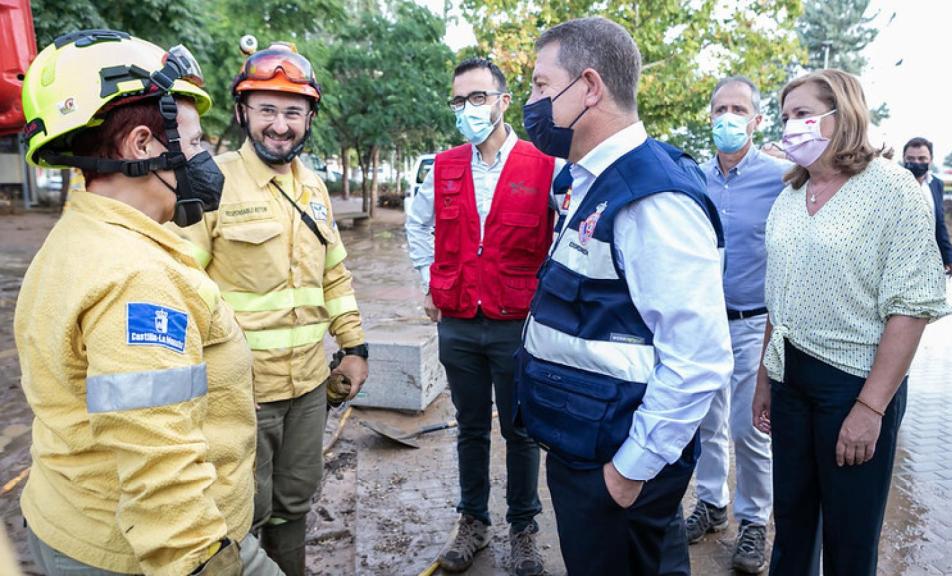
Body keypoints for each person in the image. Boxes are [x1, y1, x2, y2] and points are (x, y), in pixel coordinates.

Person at [16, 29, 280, 575]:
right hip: (147, 551)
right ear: (141, 145)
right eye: (196, 140)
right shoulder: (135, 276)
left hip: (74, 520)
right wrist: (205, 561)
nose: (207, 157)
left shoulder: (82, 237)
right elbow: (158, 457)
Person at [517, 17, 732, 575]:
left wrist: (629, 472)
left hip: (616, 465)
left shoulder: (652, 198)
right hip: (587, 444)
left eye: (542, 86)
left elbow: (699, 358)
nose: (531, 102)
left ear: (589, 87)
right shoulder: (587, 179)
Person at [171, 41, 368, 575]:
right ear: (243, 113)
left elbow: (334, 275)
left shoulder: (316, 190)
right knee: (241, 513)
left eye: (292, 112)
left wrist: (354, 346)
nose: (280, 125)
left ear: (308, 119)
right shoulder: (210, 184)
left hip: (308, 388)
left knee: (294, 505)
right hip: (240, 396)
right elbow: (179, 287)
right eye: (267, 110)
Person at [752, 69, 949, 575]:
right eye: (785, 116)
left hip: (854, 386)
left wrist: (870, 408)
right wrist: (764, 380)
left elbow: (912, 306)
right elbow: (780, 297)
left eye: (802, 113)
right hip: (790, 379)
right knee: (792, 528)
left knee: (850, 537)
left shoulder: (892, 189)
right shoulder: (790, 197)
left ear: (842, 115)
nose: (790, 125)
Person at [405, 57, 560, 576]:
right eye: (459, 101)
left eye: (477, 98)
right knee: (470, 426)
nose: (467, 110)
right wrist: (429, 283)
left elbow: (562, 238)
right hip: (459, 320)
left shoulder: (544, 165)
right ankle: (473, 520)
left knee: (521, 430)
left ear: (501, 101)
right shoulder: (445, 165)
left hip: (517, 321)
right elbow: (417, 225)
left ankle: (523, 529)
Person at [679, 76, 790, 574]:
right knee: (706, 420)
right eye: (720, 108)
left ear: (757, 120)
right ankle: (711, 504)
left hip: (753, 323)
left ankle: (752, 521)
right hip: (703, 322)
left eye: (738, 108)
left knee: (750, 427)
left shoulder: (782, 177)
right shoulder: (692, 178)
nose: (727, 117)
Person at [903, 137, 952, 276]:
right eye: (911, 158)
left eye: (922, 158)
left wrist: (948, 256)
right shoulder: (893, 184)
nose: (916, 162)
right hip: (900, 258)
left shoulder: (936, 184)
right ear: (903, 158)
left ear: (930, 160)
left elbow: (939, 223)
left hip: (928, 257)